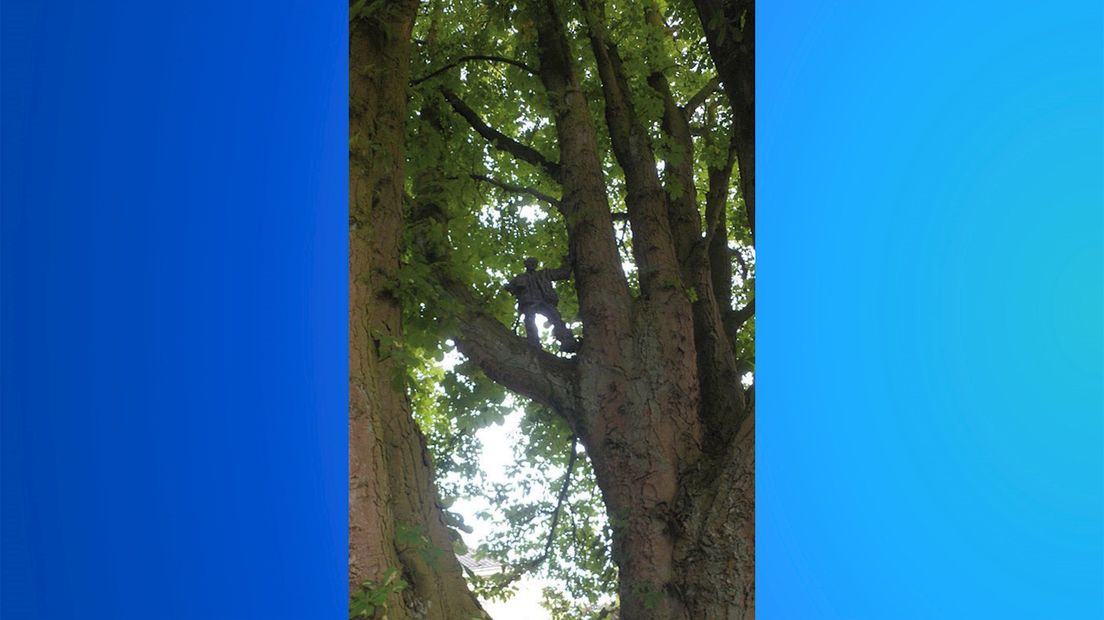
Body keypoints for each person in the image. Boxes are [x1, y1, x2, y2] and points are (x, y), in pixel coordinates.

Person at [504, 257, 579, 353]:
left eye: (533, 263)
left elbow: (563, 273)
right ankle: (533, 343)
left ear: (536, 265)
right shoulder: (519, 278)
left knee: (556, 319)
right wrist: (510, 287)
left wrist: (568, 262)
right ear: (526, 264)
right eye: (529, 262)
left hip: (545, 301)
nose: (531, 264)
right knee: (530, 322)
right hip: (529, 303)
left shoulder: (544, 274)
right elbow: (510, 288)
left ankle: (567, 341)